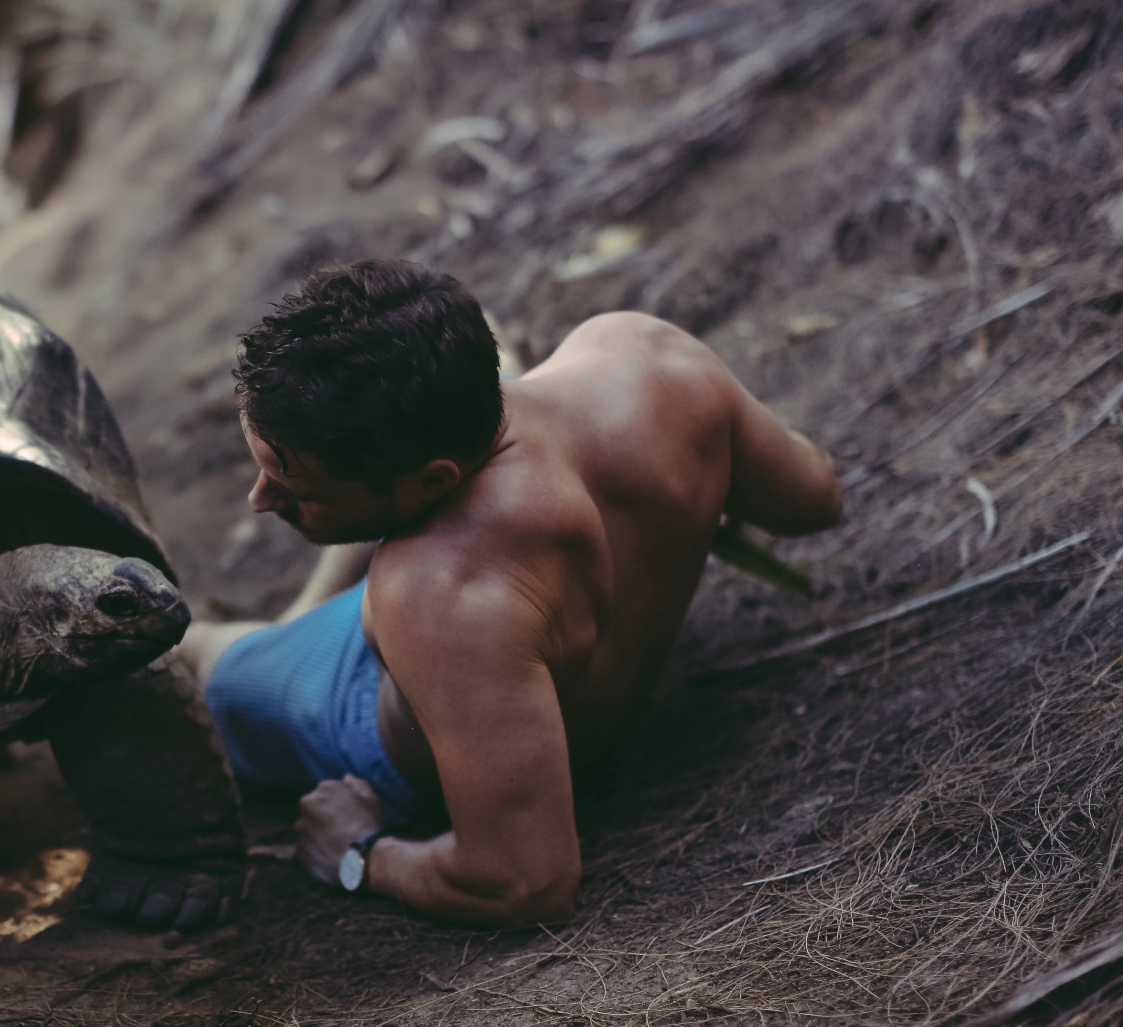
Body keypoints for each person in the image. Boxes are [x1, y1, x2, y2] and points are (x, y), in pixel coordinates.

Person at [177, 260, 843, 927]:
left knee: (198, 659)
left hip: (379, 709)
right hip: (484, 623)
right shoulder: (648, 354)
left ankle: (261, 637)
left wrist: (358, 853)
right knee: (437, 447)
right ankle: (303, 609)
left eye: (295, 492)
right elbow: (816, 499)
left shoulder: (438, 594)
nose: (259, 500)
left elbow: (525, 882)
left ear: (434, 485)